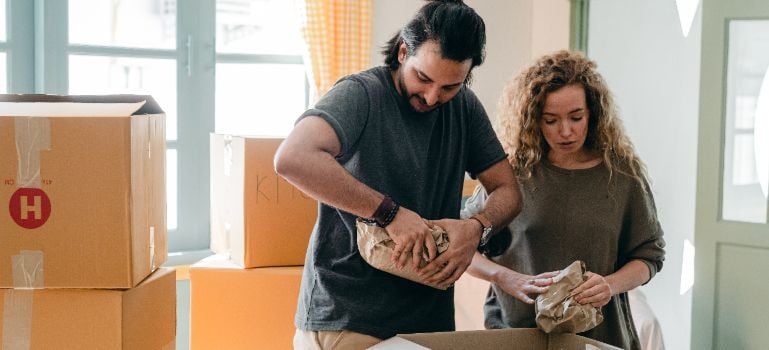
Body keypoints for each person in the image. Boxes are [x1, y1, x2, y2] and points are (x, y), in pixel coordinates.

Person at [274, 1, 521, 348]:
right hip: (350, 317)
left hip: (429, 319)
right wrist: (389, 213)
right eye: (424, 78)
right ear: (404, 51)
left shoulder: (464, 106)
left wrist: (476, 228)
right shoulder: (362, 94)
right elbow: (293, 158)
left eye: (450, 86)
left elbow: (508, 191)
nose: (433, 96)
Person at [466, 50, 666, 350]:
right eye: (551, 120)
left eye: (576, 117)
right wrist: (505, 277)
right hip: (518, 335)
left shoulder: (622, 175)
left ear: (593, 113)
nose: (566, 131)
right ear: (533, 119)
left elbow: (649, 256)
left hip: (598, 338)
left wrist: (609, 285)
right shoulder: (512, 176)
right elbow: (462, 248)